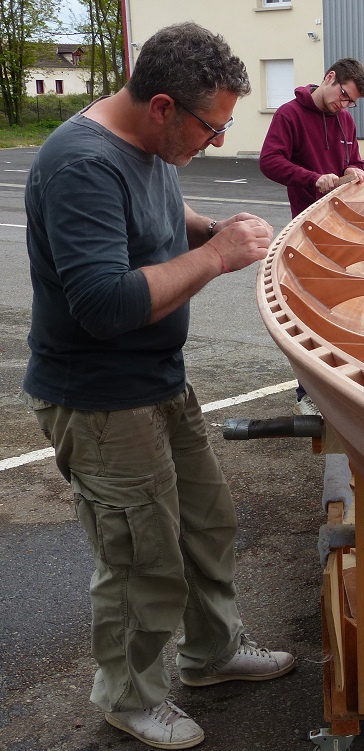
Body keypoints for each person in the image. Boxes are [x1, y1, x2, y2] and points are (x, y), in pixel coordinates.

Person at [21, 22, 294, 750]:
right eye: (213, 126)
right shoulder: (80, 163)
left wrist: (210, 230)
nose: (217, 140)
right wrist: (219, 260)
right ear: (165, 106)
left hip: (158, 381)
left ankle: (212, 653)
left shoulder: (147, 146)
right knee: (140, 558)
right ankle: (129, 696)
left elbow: (159, 218)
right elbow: (105, 304)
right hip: (101, 398)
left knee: (205, 526)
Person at [259, 57, 364, 416]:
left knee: (345, 308)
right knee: (310, 314)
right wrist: (311, 178)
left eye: (351, 102)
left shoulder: (345, 120)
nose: (345, 105)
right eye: (343, 96)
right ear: (330, 78)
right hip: (306, 231)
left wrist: (354, 168)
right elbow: (269, 161)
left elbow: (353, 160)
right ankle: (307, 395)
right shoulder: (289, 115)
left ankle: (344, 387)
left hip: (342, 231)